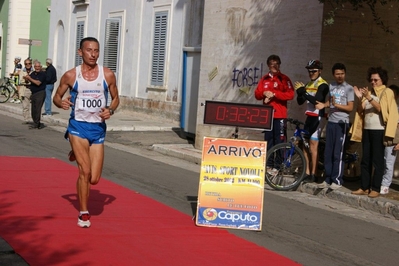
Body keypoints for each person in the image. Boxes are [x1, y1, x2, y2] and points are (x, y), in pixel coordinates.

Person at [53, 37, 120, 228]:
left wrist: (111, 110)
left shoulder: (107, 75)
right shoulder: (70, 76)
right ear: (80, 52)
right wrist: (62, 103)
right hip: (78, 127)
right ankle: (83, 213)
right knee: (85, 171)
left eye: (96, 50)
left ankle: (76, 151)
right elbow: (57, 97)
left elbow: (116, 98)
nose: (93, 54)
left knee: (95, 179)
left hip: (97, 129)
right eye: (89, 50)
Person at [350, 67, 398, 198]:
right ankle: (364, 186)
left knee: (378, 161)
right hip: (367, 129)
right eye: (371, 80)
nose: (373, 82)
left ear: (382, 80)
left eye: (376, 80)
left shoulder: (386, 92)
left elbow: (382, 109)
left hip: (379, 130)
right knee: (365, 159)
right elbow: (360, 111)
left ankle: (375, 187)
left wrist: (369, 98)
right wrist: (361, 99)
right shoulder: (369, 92)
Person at [316, 63, 354, 189]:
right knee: (328, 152)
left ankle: (337, 180)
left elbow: (350, 107)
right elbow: (330, 101)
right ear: (334, 74)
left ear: (345, 74)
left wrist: (337, 106)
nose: (340, 76)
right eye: (337, 74)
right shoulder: (331, 85)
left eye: (342, 74)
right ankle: (327, 179)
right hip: (331, 122)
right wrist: (324, 105)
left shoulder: (348, 88)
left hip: (341, 123)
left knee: (338, 152)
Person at [254, 54, 294, 173]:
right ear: (268, 65)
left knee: (280, 141)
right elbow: (257, 94)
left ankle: (278, 166)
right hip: (268, 115)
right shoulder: (264, 79)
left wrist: (275, 94)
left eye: (277, 64)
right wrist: (264, 93)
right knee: (269, 140)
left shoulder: (284, 79)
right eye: (272, 64)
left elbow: (290, 94)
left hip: (280, 115)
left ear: (279, 65)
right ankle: (269, 165)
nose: (274, 66)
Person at [294, 60, 329, 183]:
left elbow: (316, 101)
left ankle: (314, 174)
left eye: (313, 71)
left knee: (313, 145)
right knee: (305, 144)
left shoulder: (323, 84)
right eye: (309, 71)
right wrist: (299, 93)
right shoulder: (308, 83)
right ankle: (307, 172)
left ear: (320, 71)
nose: (311, 74)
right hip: (309, 116)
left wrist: (304, 92)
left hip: (319, 116)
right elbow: (300, 101)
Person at [380, 84, 399, 194]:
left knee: (389, 162)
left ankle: (386, 184)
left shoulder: (397, 109)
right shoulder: (383, 108)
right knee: (381, 161)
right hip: (382, 137)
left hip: (392, 139)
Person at [23, 61, 47, 129]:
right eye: (36, 66)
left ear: (41, 67)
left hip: (40, 93)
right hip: (33, 93)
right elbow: (29, 80)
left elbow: (38, 83)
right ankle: (35, 122)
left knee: (37, 109)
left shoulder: (42, 74)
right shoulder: (33, 73)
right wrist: (26, 79)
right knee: (33, 109)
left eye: (38, 66)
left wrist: (29, 78)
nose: (37, 68)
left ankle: (37, 123)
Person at [19, 58, 34, 123]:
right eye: (26, 64)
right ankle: (26, 119)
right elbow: (22, 80)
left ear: (31, 64)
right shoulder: (22, 71)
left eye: (29, 63)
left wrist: (28, 79)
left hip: (33, 89)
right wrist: (29, 80)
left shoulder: (34, 71)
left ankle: (34, 119)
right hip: (25, 89)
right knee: (25, 105)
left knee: (34, 105)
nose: (28, 65)